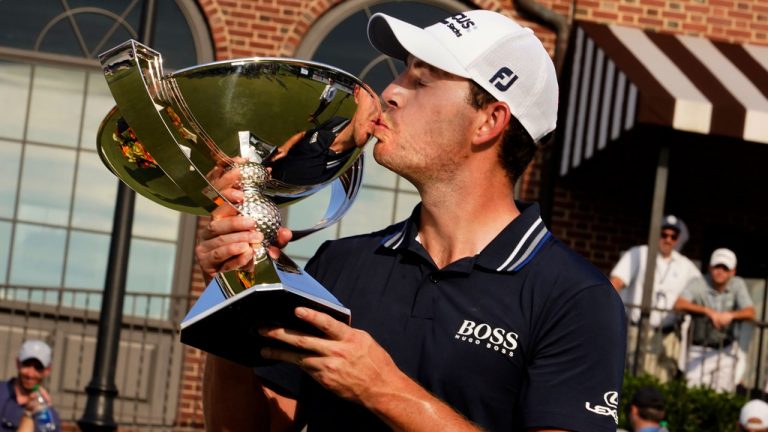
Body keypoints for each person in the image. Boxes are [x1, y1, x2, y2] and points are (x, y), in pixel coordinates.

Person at [198, 10, 626, 431]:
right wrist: (233, 299)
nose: (390, 93)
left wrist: (383, 389)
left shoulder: (577, 298)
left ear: (489, 121)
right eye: (403, 74)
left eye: (420, 81)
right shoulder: (340, 263)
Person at [610, 214, 701, 381]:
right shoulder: (639, 253)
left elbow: (701, 291)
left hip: (668, 334)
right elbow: (616, 282)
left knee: (665, 380)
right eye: (664, 234)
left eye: (673, 236)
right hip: (639, 329)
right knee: (639, 377)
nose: (668, 240)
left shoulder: (685, 265)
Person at [674, 248, 755, 392]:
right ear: (710, 268)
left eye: (725, 268)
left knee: (722, 396)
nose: (720, 272)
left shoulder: (737, 284)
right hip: (698, 349)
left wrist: (730, 315)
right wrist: (707, 311)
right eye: (717, 267)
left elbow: (751, 312)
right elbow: (679, 304)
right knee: (693, 392)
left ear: (733, 272)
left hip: (726, 349)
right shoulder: (698, 282)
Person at [0, 340, 61, 431]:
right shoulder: (2, 392)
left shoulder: (48, 417)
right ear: (18, 363)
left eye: (38, 367)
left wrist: (30, 414)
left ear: (48, 370)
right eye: (26, 365)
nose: (30, 374)